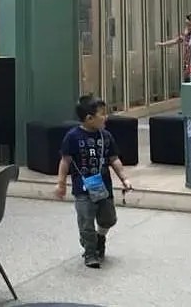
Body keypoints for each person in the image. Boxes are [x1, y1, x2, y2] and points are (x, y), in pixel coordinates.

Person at [55, 95, 132, 269]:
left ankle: (100, 237)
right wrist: (61, 184)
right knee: (86, 222)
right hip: (83, 189)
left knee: (109, 219)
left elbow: (114, 159)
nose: (106, 117)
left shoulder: (106, 136)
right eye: (102, 114)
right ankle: (90, 252)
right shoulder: (72, 137)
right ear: (89, 118)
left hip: (103, 187)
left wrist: (124, 178)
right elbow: (65, 161)